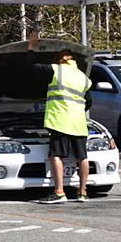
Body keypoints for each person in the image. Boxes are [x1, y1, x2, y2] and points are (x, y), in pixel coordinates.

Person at [27, 31, 92, 204]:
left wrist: (31, 47)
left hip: (60, 119)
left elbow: (31, 67)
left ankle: (59, 191)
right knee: (82, 156)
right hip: (78, 121)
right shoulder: (83, 78)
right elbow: (89, 102)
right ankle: (83, 192)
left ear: (60, 59)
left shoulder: (56, 70)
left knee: (56, 155)